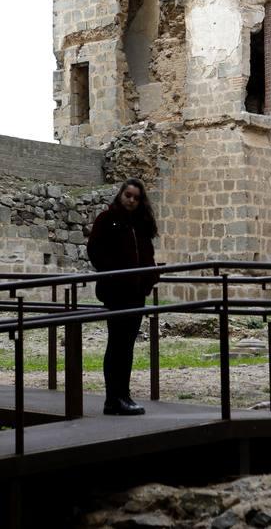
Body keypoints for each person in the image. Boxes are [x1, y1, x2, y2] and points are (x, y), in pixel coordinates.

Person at [87, 178, 158, 415]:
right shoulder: (107, 220)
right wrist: (115, 274)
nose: (131, 200)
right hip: (117, 292)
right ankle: (114, 397)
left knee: (126, 345)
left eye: (136, 197)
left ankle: (121, 396)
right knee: (117, 344)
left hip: (136, 293)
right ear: (120, 195)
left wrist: (149, 277)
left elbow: (147, 253)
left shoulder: (141, 223)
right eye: (128, 195)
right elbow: (95, 251)